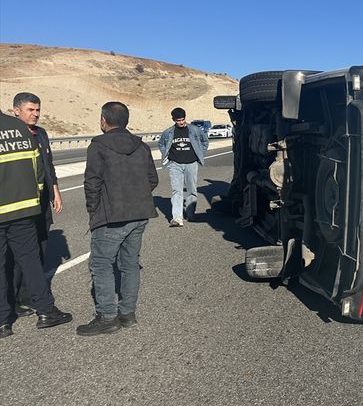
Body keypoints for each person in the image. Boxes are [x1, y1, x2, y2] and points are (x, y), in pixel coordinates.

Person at [77, 102, 159, 336]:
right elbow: (151, 179)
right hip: (139, 213)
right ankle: (127, 313)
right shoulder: (141, 146)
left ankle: (107, 317)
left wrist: (94, 211)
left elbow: (92, 183)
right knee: (130, 264)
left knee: (101, 264)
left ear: (104, 120)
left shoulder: (98, 146)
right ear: (126, 121)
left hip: (111, 215)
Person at [0, 112, 72, 338]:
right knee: (31, 262)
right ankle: (45, 311)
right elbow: (39, 170)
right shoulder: (21, 128)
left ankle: (3, 320)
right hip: (25, 209)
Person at [9, 92, 62, 317]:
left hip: (40, 201)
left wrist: (55, 191)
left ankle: (28, 294)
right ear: (16, 111)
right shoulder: (10, 136)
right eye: (30, 110)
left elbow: (48, 165)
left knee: (40, 246)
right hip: (19, 203)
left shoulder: (41, 134)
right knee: (16, 254)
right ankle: (12, 299)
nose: (36, 114)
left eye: (38, 110)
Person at [158, 107, 208, 226]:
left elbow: (204, 141)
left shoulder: (194, 130)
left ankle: (191, 213)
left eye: (182, 119)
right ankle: (177, 218)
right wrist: (167, 156)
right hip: (175, 164)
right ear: (173, 120)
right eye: (178, 120)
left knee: (192, 189)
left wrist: (199, 154)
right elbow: (161, 144)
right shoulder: (168, 132)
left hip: (191, 163)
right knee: (177, 191)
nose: (181, 122)